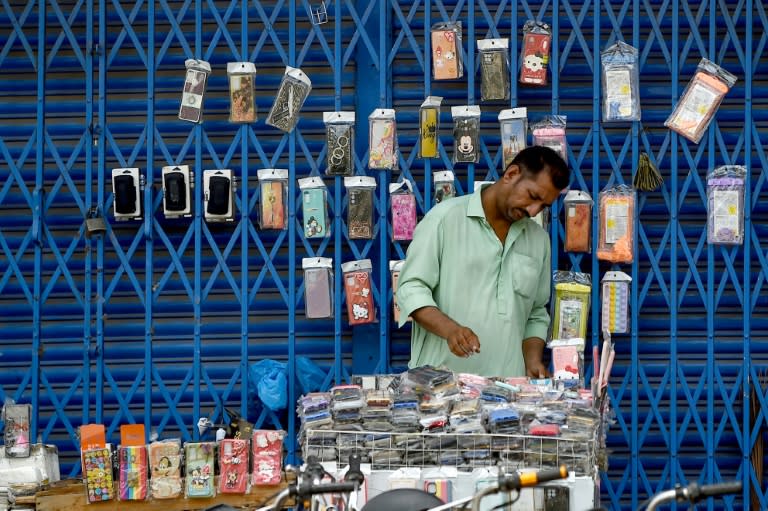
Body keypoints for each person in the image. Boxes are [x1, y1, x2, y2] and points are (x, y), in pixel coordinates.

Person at [396, 145, 570, 378]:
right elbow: (410, 288)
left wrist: (532, 361)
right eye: (533, 197)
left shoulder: (538, 240)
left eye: (544, 206)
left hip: (507, 392)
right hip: (440, 389)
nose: (533, 210)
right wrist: (450, 330)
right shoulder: (444, 219)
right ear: (511, 174)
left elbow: (537, 312)